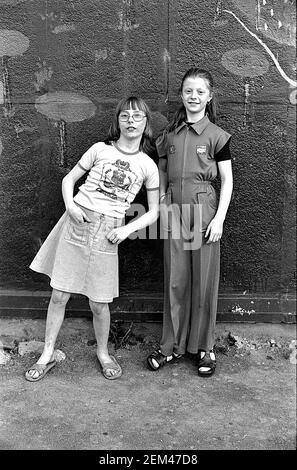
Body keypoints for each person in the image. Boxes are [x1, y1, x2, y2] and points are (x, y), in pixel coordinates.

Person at [25, 96, 159, 381]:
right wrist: (71, 205)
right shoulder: (100, 149)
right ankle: (47, 354)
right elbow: (68, 180)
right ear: (118, 121)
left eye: (137, 117)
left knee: (99, 302)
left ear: (146, 123)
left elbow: (155, 212)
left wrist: (125, 230)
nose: (131, 121)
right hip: (78, 221)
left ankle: (103, 353)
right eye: (125, 116)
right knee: (59, 294)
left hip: (109, 232)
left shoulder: (148, 165)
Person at [147, 68, 233, 377]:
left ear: (209, 96)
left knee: (203, 280)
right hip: (174, 210)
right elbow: (162, 170)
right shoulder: (170, 134)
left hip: (203, 209)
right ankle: (170, 346)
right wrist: (158, 201)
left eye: (200, 92)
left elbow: (227, 181)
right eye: (188, 91)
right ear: (181, 95)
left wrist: (219, 218)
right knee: (176, 280)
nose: (193, 97)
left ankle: (204, 348)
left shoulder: (217, 137)